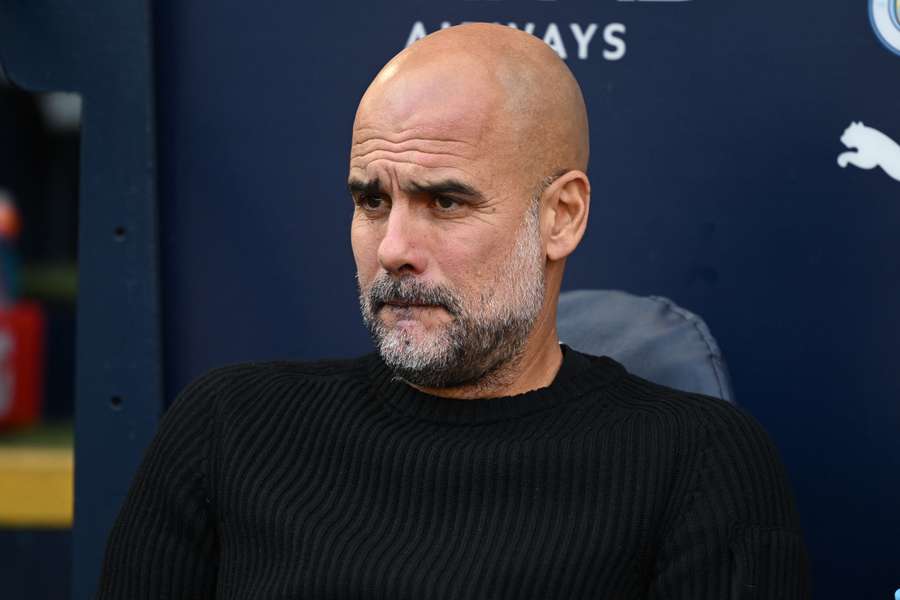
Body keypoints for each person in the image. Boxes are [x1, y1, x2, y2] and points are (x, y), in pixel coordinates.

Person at [97, 23, 810, 599]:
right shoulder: (229, 427)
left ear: (561, 216)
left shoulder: (697, 464)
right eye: (372, 200)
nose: (395, 249)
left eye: (446, 201)